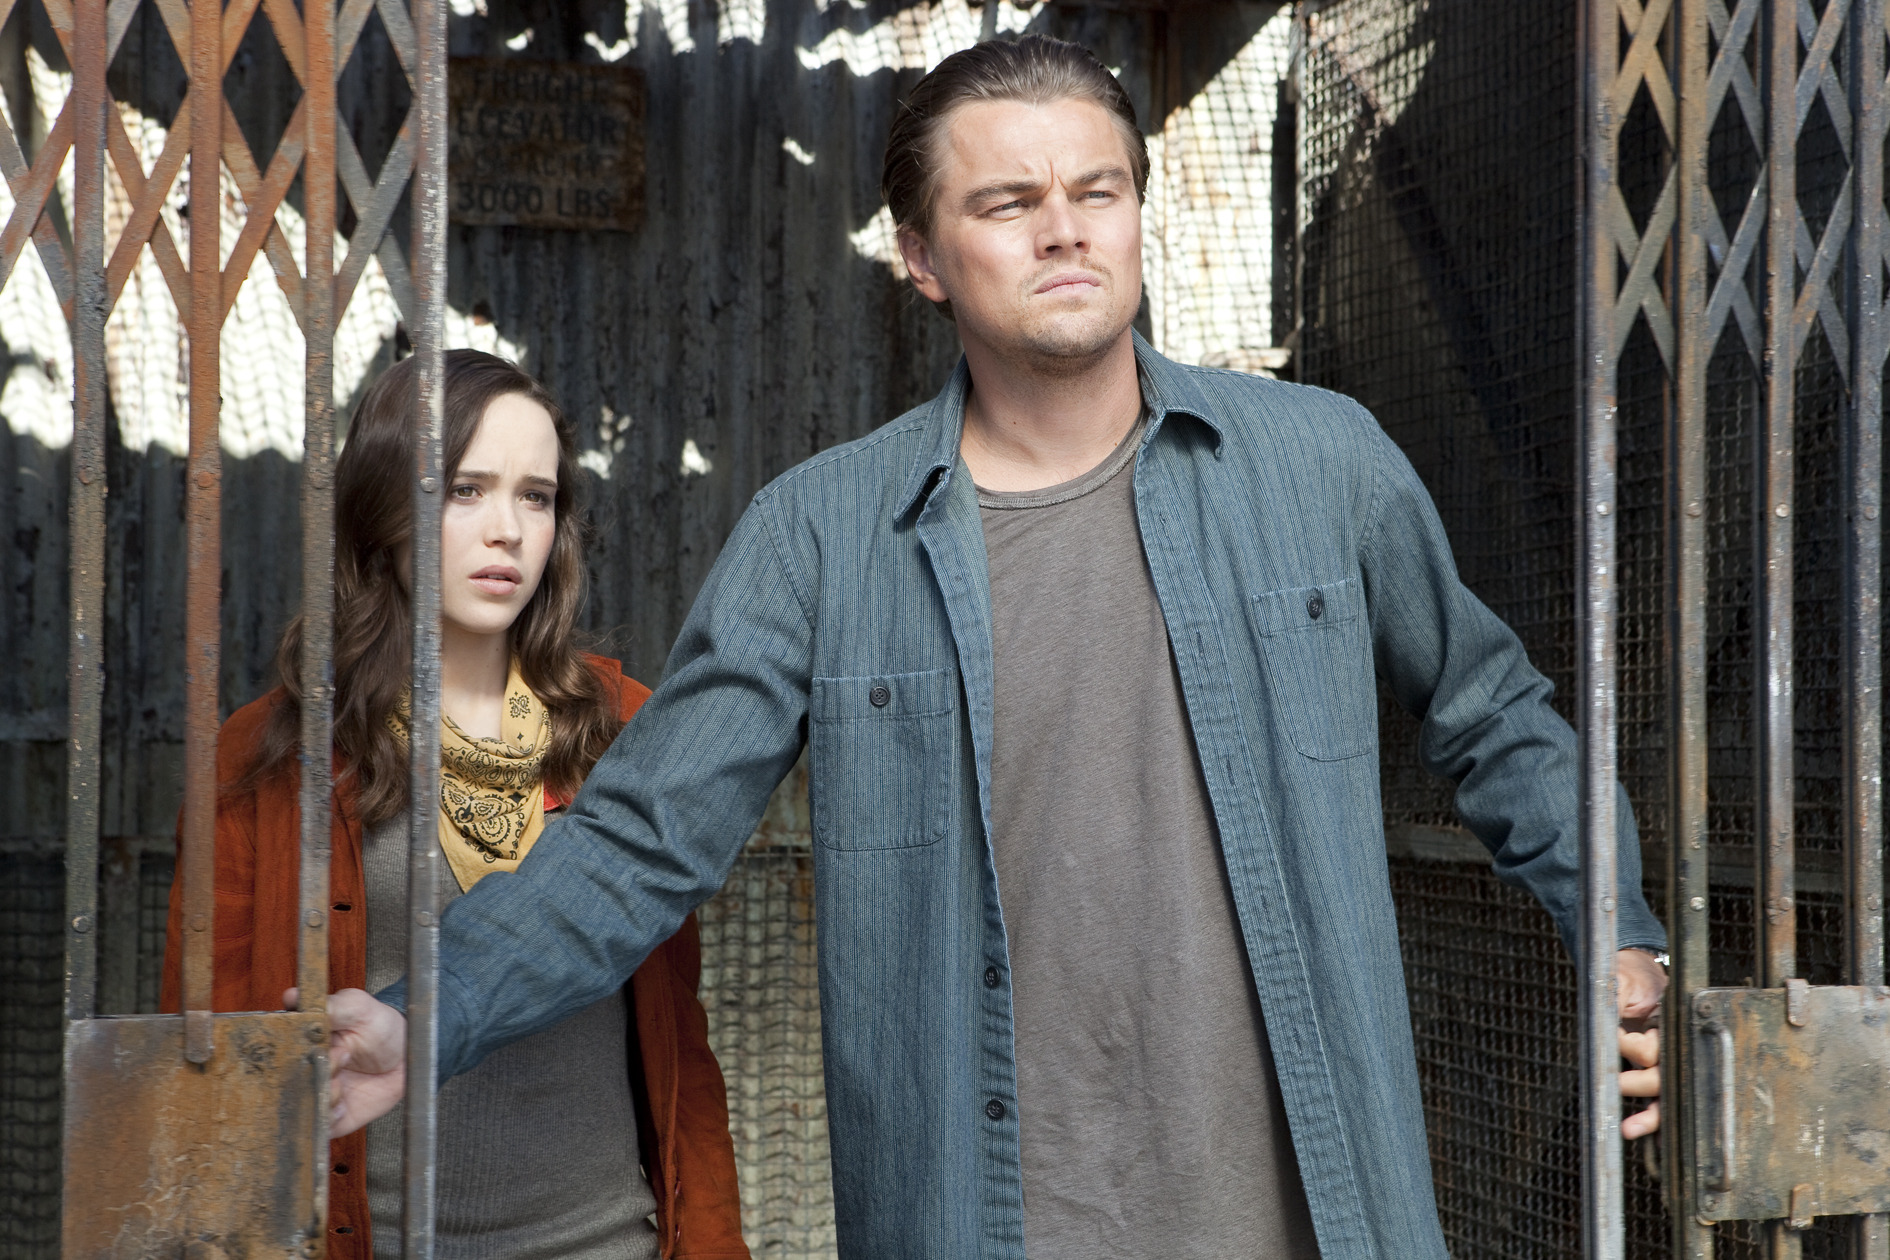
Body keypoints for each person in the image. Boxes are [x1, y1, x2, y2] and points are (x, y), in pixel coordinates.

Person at [320, 38, 1668, 1260]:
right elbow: (641, 837)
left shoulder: (1323, 464)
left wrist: (1610, 919)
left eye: (1096, 190)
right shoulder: (821, 536)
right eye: (1008, 203)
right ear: (922, 258)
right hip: (982, 1217)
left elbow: (1492, 712)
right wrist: (424, 1011)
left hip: (1322, 1213)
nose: (1064, 229)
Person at [160, 350, 751, 1260]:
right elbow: (212, 1058)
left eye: (536, 497)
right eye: (464, 490)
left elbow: (681, 1044)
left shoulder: (626, 728)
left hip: (604, 1240)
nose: (507, 531)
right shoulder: (273, 751)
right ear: (384, 508)